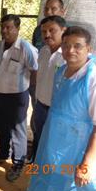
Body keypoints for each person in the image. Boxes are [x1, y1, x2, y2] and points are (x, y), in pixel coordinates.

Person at [26, 26, 96, 191]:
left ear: (88, 49)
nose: (70, 50)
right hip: (53, 146)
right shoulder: (61, 72)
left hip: (77, 152)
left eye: (77, 46)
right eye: (66, 45)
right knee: (45, 186)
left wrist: (87, 165)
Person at [0, 14, 38, 182]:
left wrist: (31, 91)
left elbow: (35, 70)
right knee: (1, 126)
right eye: (3, 27)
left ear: (17, 29)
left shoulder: (26, 48)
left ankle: (18, 163)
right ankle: (3, 153)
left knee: (18, 130)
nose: (4, 31)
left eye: (9, 27)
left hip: (17, 97)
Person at [30, 15, 66, 162]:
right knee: (38, 138)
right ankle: (35, 171)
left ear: (64, 30)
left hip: (58, 111)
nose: (47, 35)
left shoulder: (68, 55)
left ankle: (47, 177)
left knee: (53, 146)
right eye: (44, 31)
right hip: (41, 106)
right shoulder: (43, 51)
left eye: (52, 30)